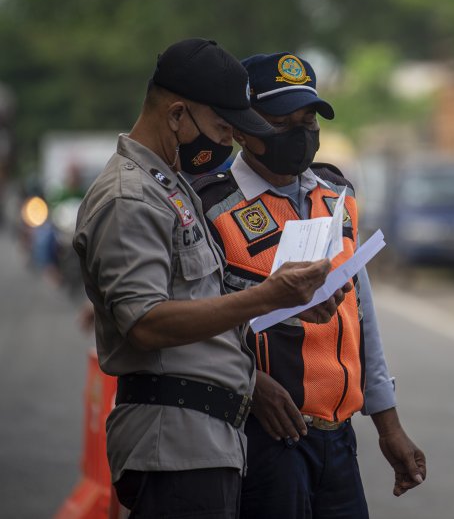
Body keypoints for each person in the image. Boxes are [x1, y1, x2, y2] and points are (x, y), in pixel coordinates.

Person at [73, 38, 346, 517]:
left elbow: (204, 304)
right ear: (177, 115)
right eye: (223, 128)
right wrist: (267, 297)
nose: (227, 143)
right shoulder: (129, 199)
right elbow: (148, 323)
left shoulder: (170, 187)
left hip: (205, 442)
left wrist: (290, 300)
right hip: (173, 447)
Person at [194, 52, 426, 518]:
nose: (300, 135)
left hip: (338, 440)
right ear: (242, 127)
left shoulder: (337, 195)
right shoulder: (209, 206)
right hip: (263, 440)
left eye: (309, 121)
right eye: (282, 122)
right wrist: (248, 384)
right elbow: (192, 324)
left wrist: (388, 424)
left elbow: (361, 313)